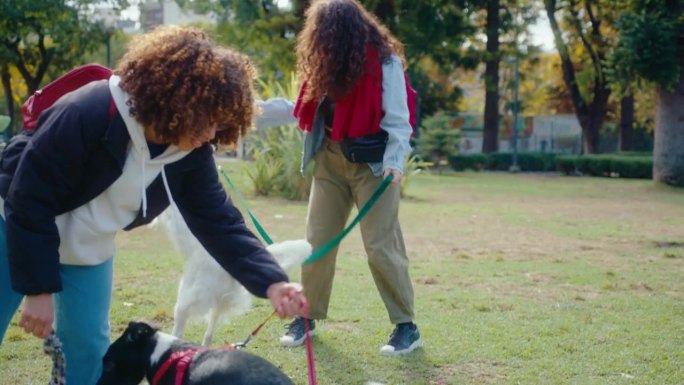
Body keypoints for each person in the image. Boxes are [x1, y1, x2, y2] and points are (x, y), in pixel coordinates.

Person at [0, 25, 307, 384]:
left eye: (218, 123)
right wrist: (37, 289)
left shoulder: (190, 150)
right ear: (173, 100)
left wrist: (272, 282)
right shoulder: (90, 110)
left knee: (87, 348)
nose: (210, 134)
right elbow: (29, 195)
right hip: (15, 226)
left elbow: (219, 223)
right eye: (205, 118)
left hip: (88, 248)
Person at [259, 0, 420, 356]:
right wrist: (251, 111)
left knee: (381, 246)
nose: (319, 40)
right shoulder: (324, 64)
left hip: (374, 165)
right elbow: (297, 107)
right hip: (329, 159)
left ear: (346, 33)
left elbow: (399, 118)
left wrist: (395, 162)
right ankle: (306, 318)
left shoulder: (385, 63)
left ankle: (405, 325)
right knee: (316, 242)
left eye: (325, 34)